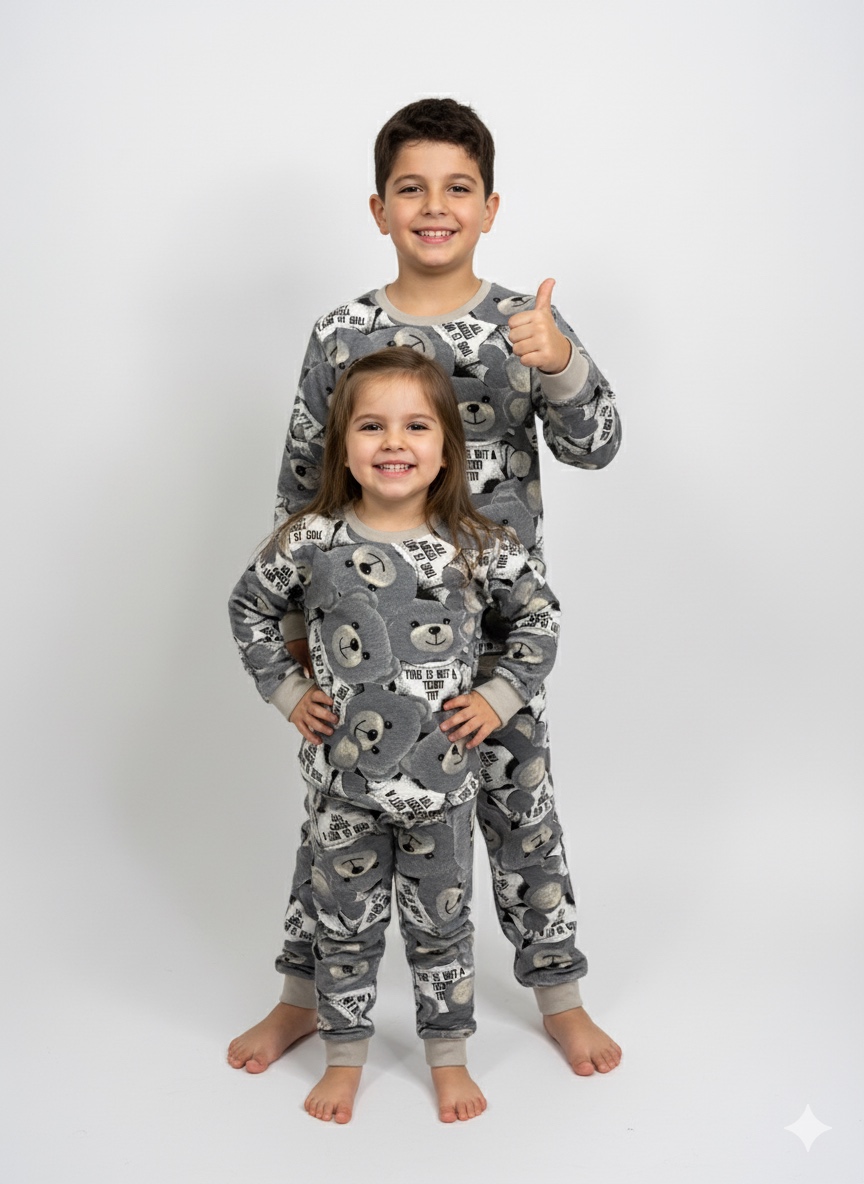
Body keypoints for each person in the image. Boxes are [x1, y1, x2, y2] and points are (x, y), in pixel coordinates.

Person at [228, 96, 622, 1089]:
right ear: (379, 208)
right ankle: (303, 992)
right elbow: (299, 482)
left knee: (521, 807)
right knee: (337, 816)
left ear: (490, 207)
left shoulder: (524, 325)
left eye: (457, 188)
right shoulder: (341, 333)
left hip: (495, 635)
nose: (435, 206)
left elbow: (598, 445)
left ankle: (560, 994)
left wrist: (561, 362)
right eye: (412, 188)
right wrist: (296, 633)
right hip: (363, 636)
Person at [229, 347, 560, 1122]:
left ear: (446, 448)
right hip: (344, 793)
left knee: (443, 932)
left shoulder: (479, 544)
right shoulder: (310, 541)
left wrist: (499, 697)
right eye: (371, 426)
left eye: (416, 426)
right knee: (343, 930)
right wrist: (286, 690)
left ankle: (449, 1058)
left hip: (444, 795)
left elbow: (538, 619)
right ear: (343, 445)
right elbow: (249, 607)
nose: (393, 442)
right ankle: (344, 1057)